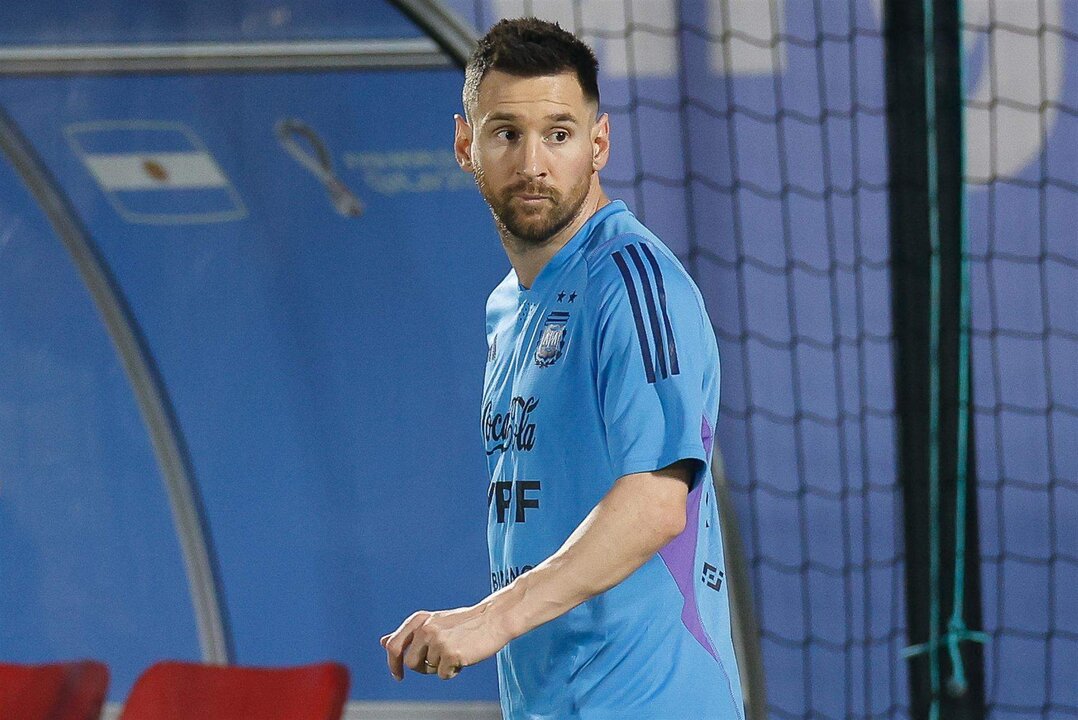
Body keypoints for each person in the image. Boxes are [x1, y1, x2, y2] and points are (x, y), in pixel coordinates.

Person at [382, 17, 745, 719]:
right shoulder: (505, 310)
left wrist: (489, 619)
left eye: (558, 133)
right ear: (466, 145)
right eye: (505, 133)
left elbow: (657, 500)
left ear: (598, 143)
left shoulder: (634, 283)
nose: (532, 163)